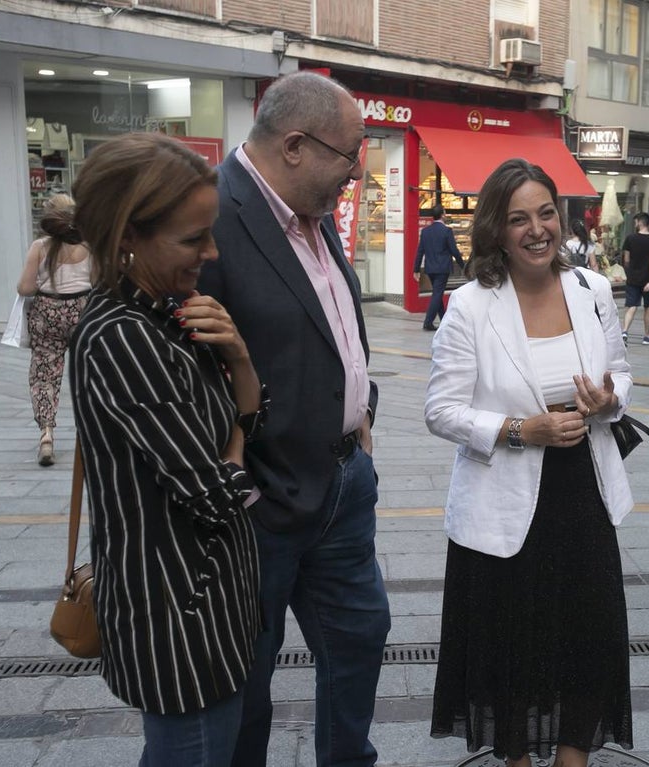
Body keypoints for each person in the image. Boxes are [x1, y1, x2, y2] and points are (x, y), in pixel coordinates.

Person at [197, 71, 390, 767]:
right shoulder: (210, 214)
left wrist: (361, 410)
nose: (356, 171)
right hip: (262, 502)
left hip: (343, 483)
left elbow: (330, 323)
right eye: (350, 153)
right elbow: (188, 369)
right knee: (246, 674)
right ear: (295, 146)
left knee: (360, 639)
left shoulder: (311, 208)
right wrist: (243, 479)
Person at [425, 158, 634, 767]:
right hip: (505, 501)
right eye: (520, 219)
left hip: (585, 492)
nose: (537, 230)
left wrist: (610, 400)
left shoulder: (592, 291)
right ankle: (516, 758)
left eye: (546, 214)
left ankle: (573, 758)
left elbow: (621, 373)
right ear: (497, 228)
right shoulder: (470, 305)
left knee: (587, 637)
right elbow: (441, 410)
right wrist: (521, 429)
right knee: (512, 644)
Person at [69, 132, 268, 765]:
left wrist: (238, 355)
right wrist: (238, 444)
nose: (211, 253)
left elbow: (247, 423)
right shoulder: (121, 335)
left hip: (213, 605)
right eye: (193, 239)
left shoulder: (172, 312)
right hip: (177, 619)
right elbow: (216, 495)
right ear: (129, 234)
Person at [16, 193, 92, 466]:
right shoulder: (89, 245)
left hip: (47, 312)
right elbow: (99, 281)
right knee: (89, 370)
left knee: (44, 374)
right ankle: (92, 431)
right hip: (82, 311)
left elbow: (25, 288)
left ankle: (46, 436)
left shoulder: (40, 246)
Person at [413, 204, 465, 330]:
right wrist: (463, 265)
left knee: (437, 293)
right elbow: (454, 250)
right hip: (442, 268)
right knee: (437, 294)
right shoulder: (447, 231)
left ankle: (444, 320)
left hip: (430, 268)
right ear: (443, 214)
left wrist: (416, 269)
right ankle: (428, 322)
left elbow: (420, 251)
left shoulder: (425, 231)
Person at [620, 213, 649, 345]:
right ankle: (647, 336)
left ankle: (625, 331)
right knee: (648, 306)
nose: (635, 224)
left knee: (632, 305)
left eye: (635, 222)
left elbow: (626, 259)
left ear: (639, 222)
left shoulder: (630, 239)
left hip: (633, 278)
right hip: (648, 278)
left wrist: (628, 272)